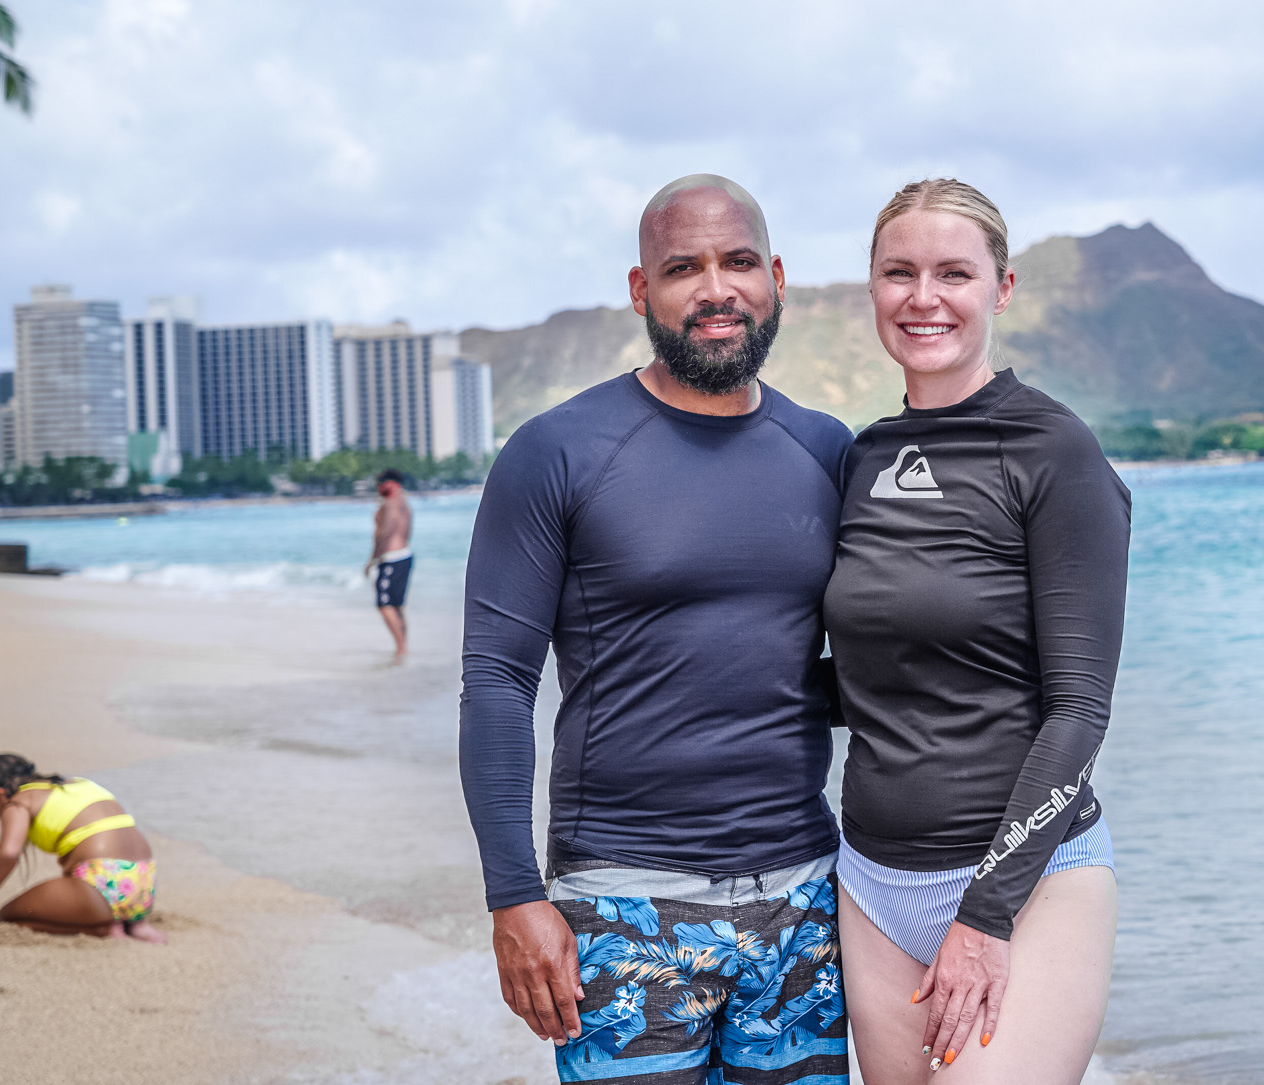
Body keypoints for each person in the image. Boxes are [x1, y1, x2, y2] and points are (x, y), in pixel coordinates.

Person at [461, 174, 854, 1084]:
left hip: (805, 895)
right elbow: (496, 679)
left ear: (777, 278)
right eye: (684, 267)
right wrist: (514, 894)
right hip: (622, 903)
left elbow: (865, 660)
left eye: (738, 261)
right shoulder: (559, 451)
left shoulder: (828, 450)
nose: (715, 289)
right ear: (642, 291)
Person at [824, 179, 1129, 1083]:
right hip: (872, 882)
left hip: (1029, 886)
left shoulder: (1052, 451)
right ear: (872, 290)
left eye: (953, 272)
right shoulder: (864, 456)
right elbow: (875, 677)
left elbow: (1079, 709)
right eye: (899, 272)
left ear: (1000, 288)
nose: (924, 297)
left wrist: (986, 915)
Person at [0, 753, 166, 944]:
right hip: (143, 881)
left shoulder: (18, 801)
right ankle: (135, 923)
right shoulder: (78, 784)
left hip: (101, 881)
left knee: (8, 915)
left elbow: (9, 852)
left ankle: (102, 928)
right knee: (81, 893)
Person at [365, 468, 413, 659]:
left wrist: (372, 560)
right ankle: (402, 647)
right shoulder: (404, 502)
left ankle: (401, 648)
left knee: (384, 604)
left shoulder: (391, 501)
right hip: (405, 555)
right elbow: (407, 531)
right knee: (397, 605)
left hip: (391, 558)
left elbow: (385, 530)